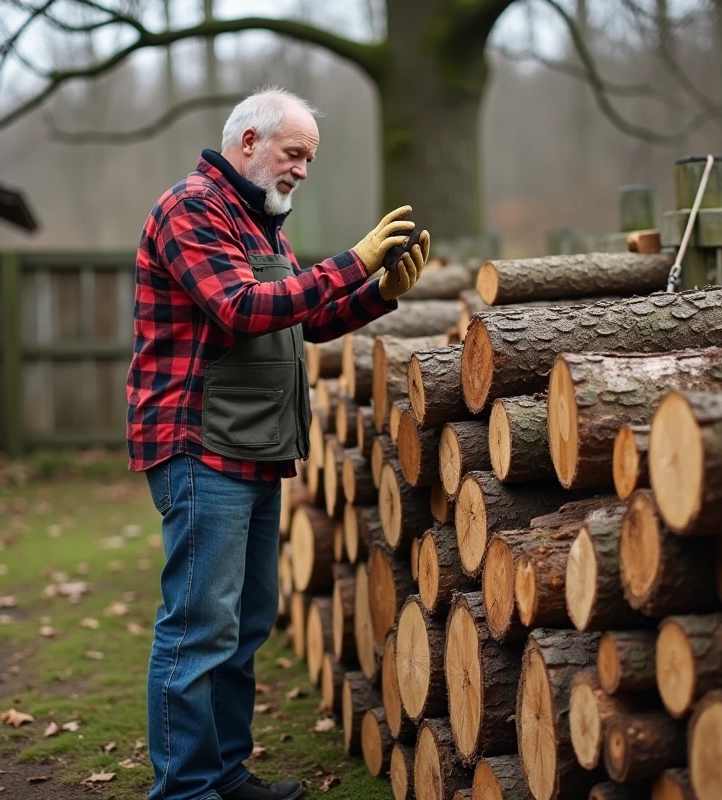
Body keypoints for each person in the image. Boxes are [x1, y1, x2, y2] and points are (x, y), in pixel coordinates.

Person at [126, 86, 431, 800]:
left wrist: (379, 293)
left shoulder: (263, 224)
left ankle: (222, 774)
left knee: (243, 623)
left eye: (309, 158)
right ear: (249, 143)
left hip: (252, 447)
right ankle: (183, 790)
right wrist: (353, 260)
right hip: (198, 444)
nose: (302, 170)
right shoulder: (191, 209)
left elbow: (304, 321)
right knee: (200, 626)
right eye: (295, 153)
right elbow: (240, 308)